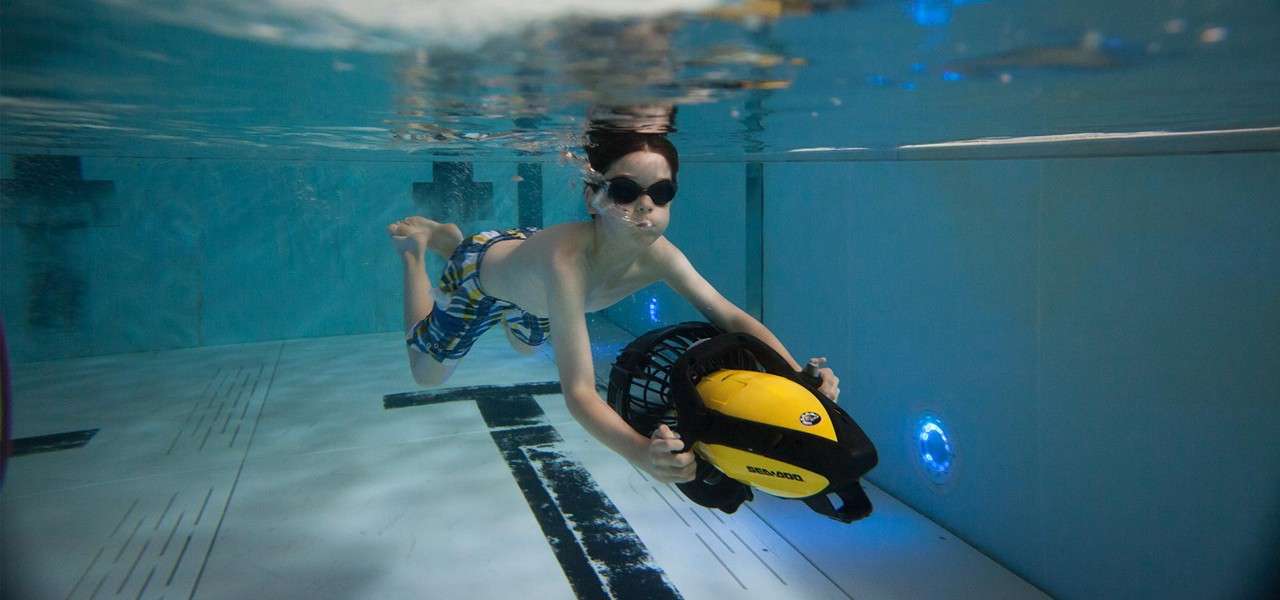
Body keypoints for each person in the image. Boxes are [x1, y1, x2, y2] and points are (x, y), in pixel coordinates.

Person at [388, 129, 840, 484]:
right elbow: (580, 391)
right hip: (481, 275)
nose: (645, 205)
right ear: (593, 198)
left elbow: (730, 317)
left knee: (526, 348)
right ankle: (421, 249)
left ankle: (454, 239)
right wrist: (640, 451)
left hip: (529, 276)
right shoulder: (568, 264)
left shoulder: (661, 255)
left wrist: (797, 376)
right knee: (427, 373)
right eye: (625, 190)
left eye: (661, 193)